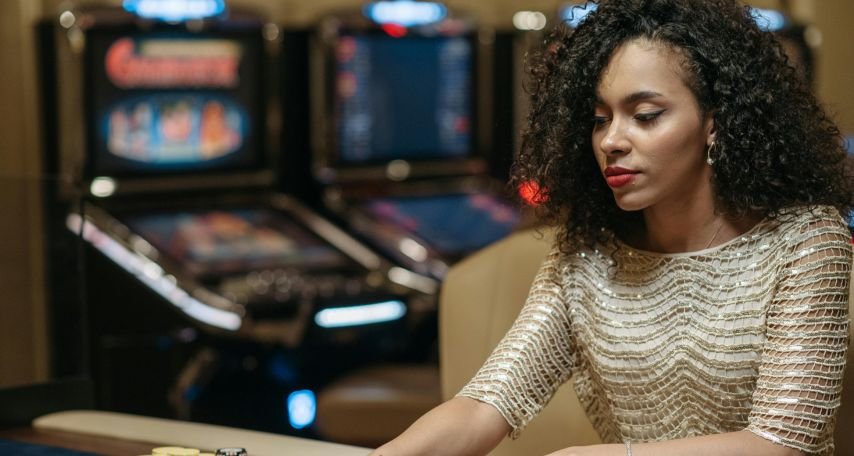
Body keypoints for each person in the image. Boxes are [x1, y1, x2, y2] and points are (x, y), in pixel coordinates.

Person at [370, 0, 853, 455]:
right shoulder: (587, 255)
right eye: (600, 119)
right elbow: (485, 405)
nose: (612, 140)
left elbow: (781, 443)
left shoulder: (806, 242)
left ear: (715, 123)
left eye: (645, 116)